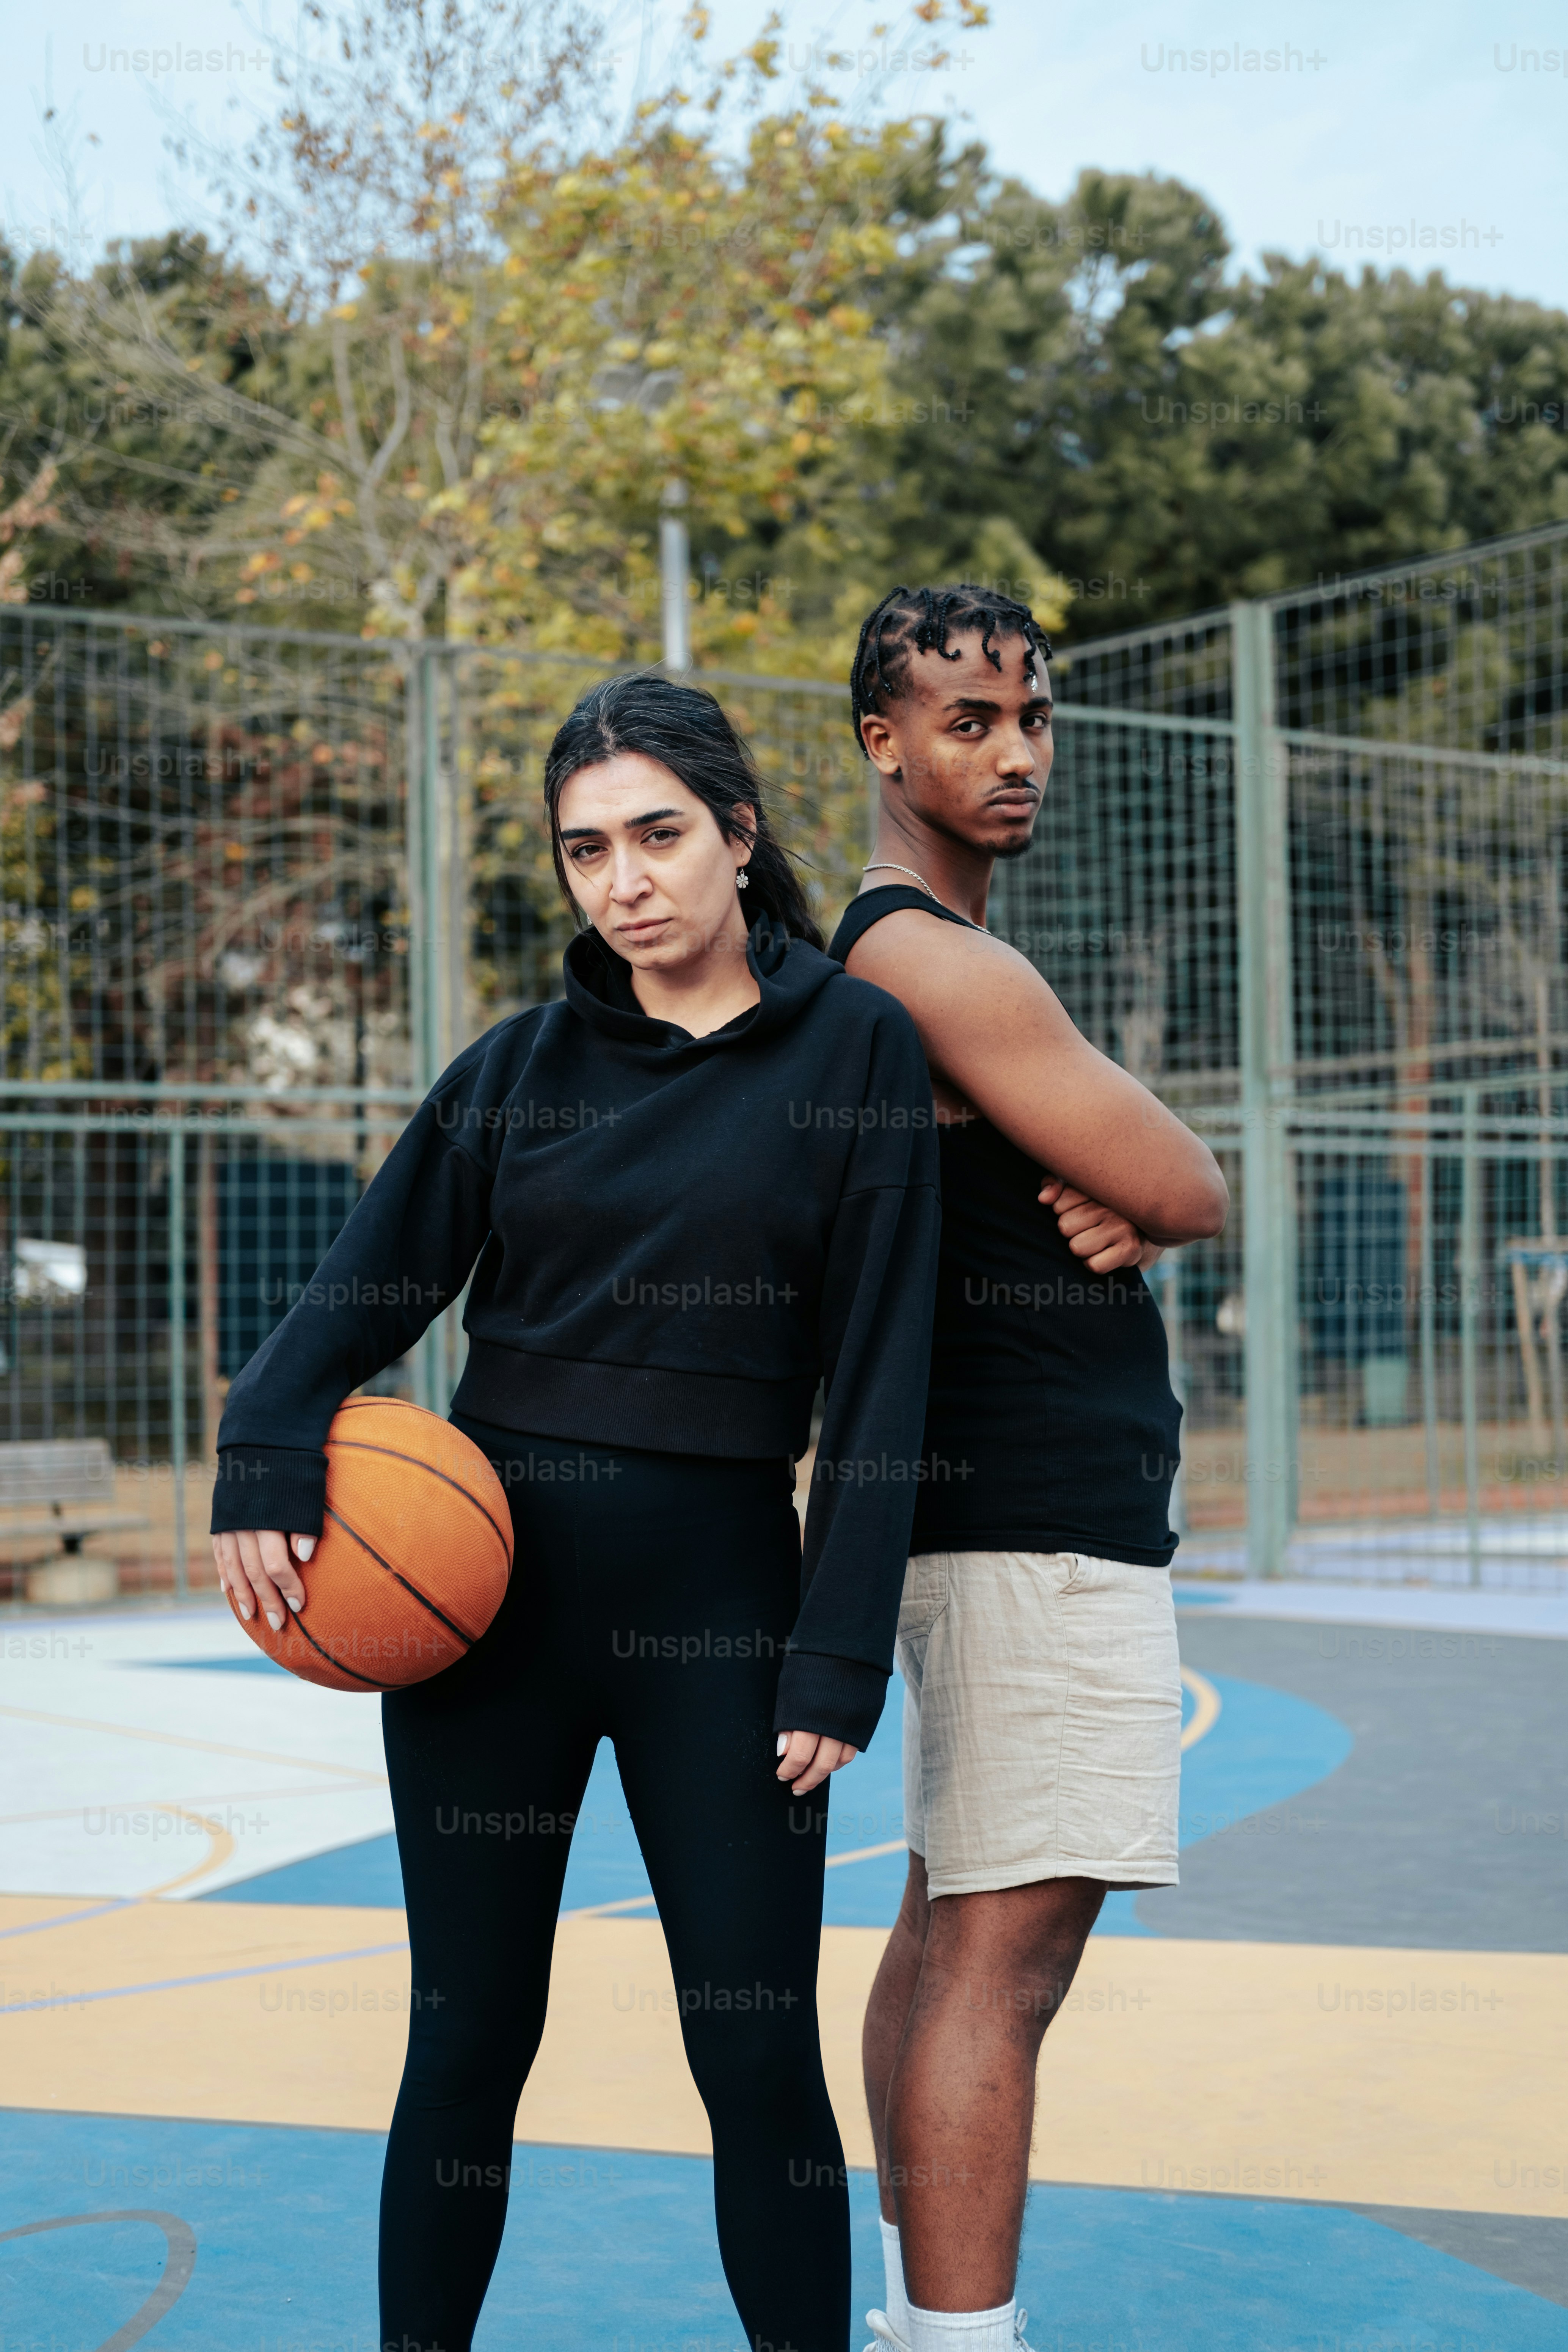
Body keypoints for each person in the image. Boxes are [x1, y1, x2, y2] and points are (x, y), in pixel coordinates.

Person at [210, 673, 943, 2352]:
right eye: (586, 849)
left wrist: (837, 1652)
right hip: (485, 1624)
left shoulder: (855, 1049)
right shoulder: (516, 1068)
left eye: (660, 835)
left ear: (739, 835)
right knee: (466, 2033)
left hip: (729, 1622)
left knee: (751, 2046)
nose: (626, 880)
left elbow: (887, 1378)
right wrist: (265, 1450)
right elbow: (355, 1293)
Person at [828, 585, 1231, 2352]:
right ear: (881, 744)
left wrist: (1127, 1197)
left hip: (987, 1516)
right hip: (1029, 1524)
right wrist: (1148, 1196)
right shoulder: (927, 955)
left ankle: (918, 2318)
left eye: (1031, 718)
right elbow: (1194, 1183)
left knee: (944, 1942)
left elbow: (1143, 1187)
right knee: (1006, 1964)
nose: (1013, 753)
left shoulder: (922, 961)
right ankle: (957, 2336)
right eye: (966, 721)